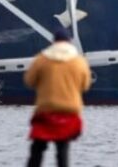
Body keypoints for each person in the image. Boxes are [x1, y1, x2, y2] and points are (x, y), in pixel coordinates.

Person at [24, 29, 92, 167]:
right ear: (70, 42)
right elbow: (85, 86)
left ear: (53, 41)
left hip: (46, 110)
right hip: (69, 111)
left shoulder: (41, 59)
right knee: (63, 148)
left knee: (37, 148)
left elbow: (29, 81)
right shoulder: (79, 62)